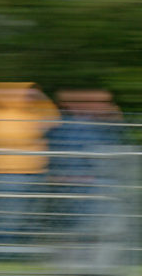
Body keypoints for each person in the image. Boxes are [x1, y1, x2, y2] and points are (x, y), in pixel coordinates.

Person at [0, 82, 59, 249]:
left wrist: (39, 97)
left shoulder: (30, 113)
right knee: (5, 216)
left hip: (32, 173)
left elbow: (54, 118)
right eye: (27, 95)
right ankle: (1, 252)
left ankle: (16, 250)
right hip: (3, 174)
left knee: (26, 216)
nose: (31, 98)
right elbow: (11, 137)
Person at [47, 90, 123, 241]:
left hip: (94, 185)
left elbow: (114, 155)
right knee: (77, 226)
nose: (104, 107)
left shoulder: (104, 126)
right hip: (73, 184)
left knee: (97, 225)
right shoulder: (62, 125)